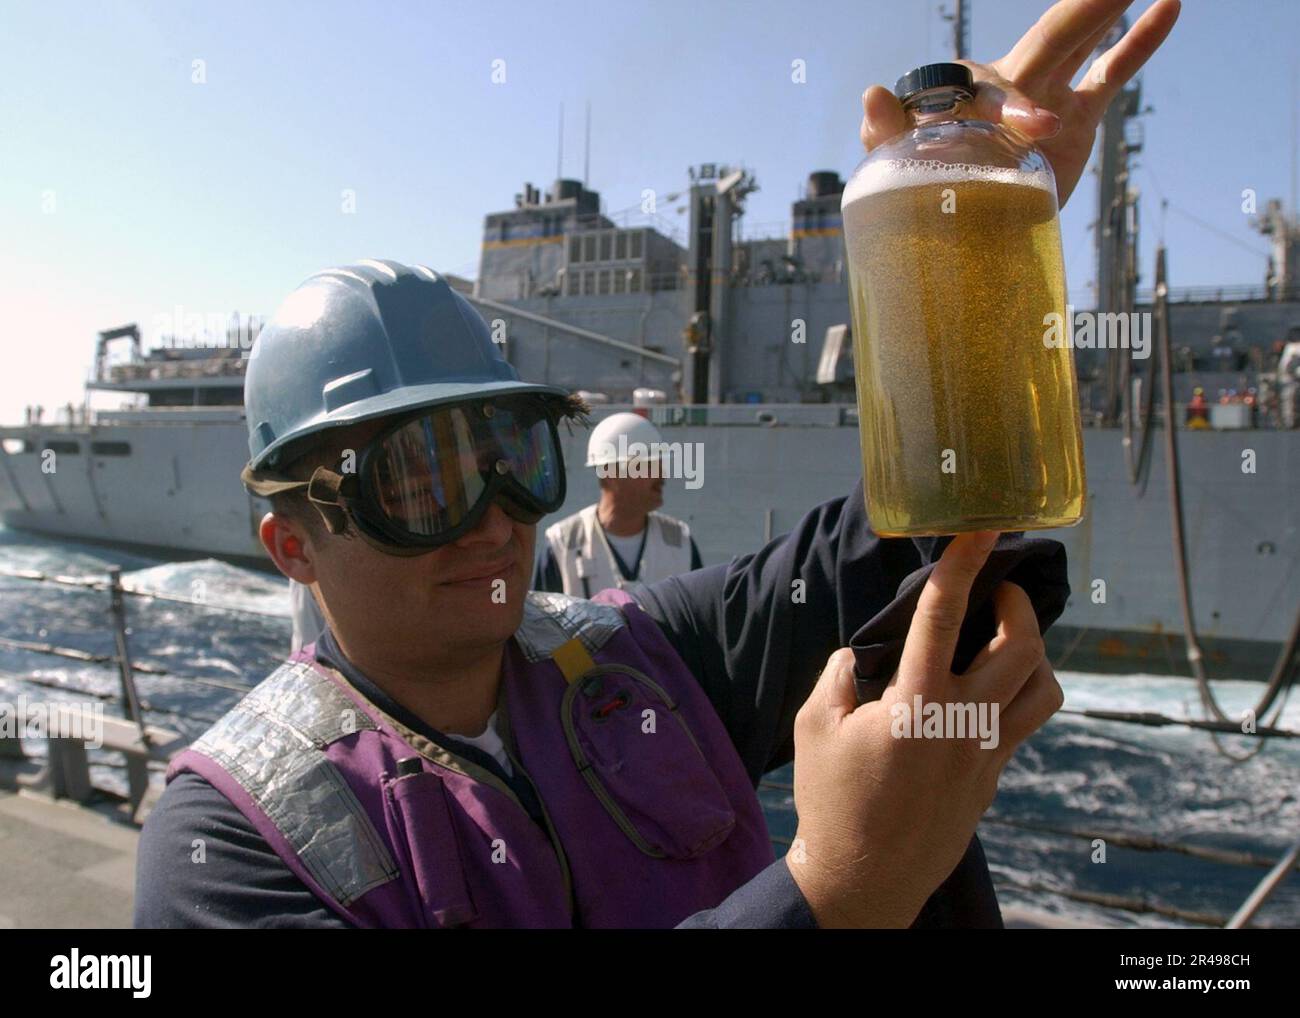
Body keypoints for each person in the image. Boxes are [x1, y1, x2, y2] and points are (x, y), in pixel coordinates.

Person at [134, 0, 1180, 928]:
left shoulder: (646, 659)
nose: (495, 519)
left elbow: (910, 531)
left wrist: (965, 256)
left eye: (513, 457)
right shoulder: (232, 848)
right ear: (292, 545)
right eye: (419, 478)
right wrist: (831, 892)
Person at [534, 412, 703, 599]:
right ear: (610, 472)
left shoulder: (680, 542)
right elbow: (542, 625)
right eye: (648, 466)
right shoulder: (563, 544)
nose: (661, 476)